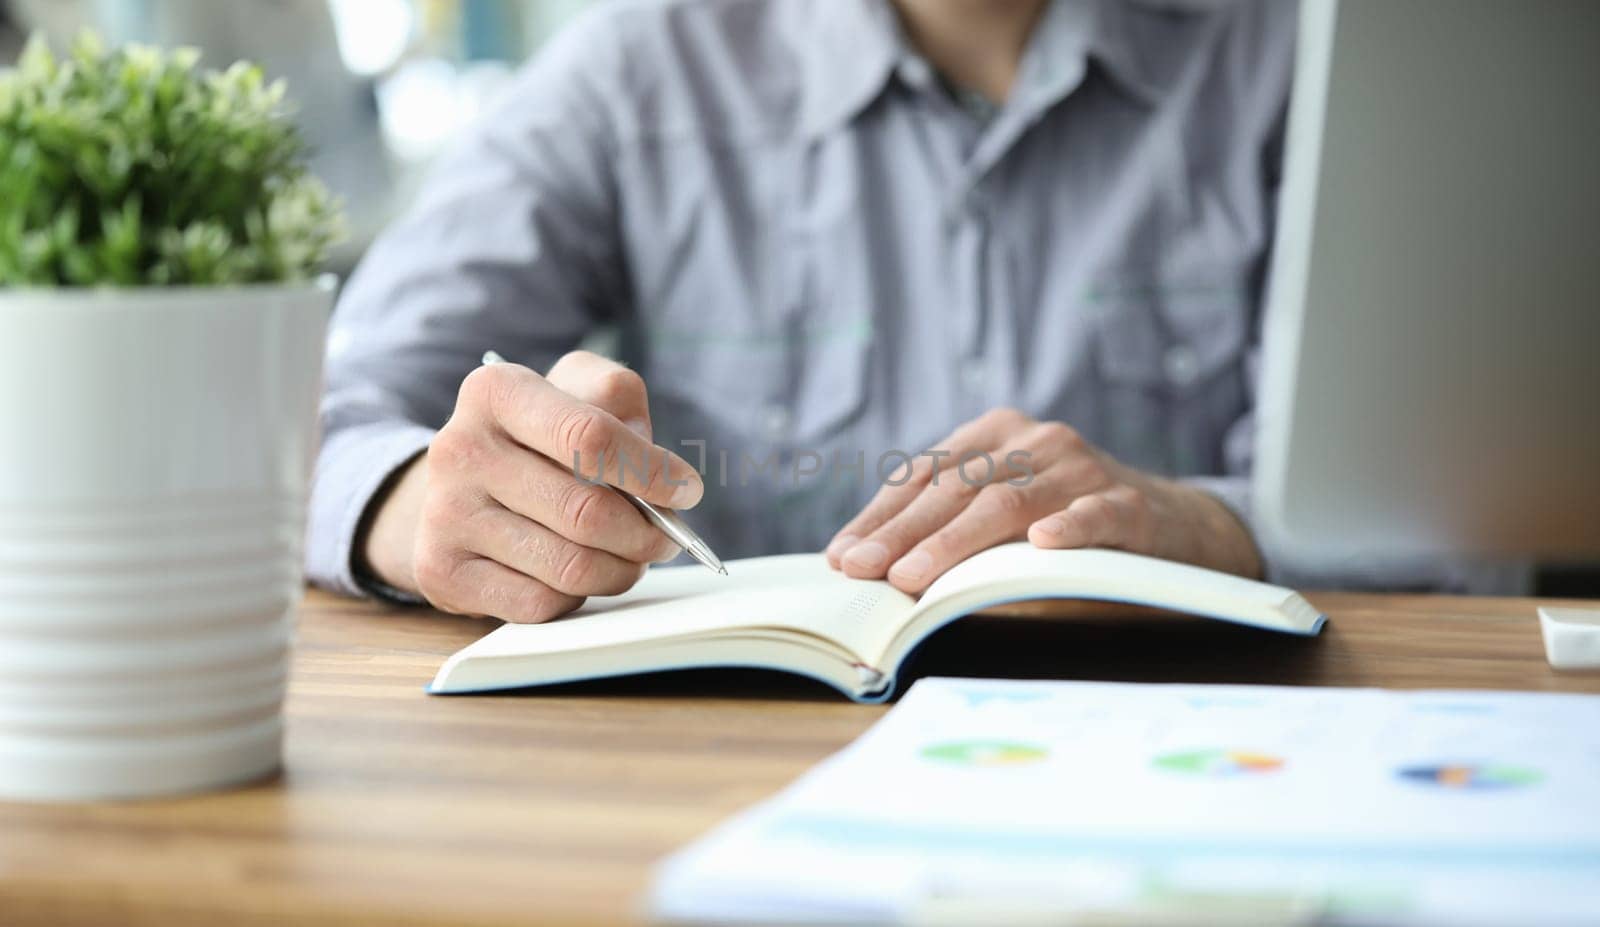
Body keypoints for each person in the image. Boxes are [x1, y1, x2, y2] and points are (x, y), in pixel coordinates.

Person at [309, 0, 1493, 622]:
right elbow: (317, 414)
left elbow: (1472, 503)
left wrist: (1205, 525)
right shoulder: (634, 73)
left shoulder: (1304, 53)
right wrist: (418, 504)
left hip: (1192, 749)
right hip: (721, 767)